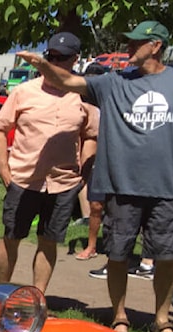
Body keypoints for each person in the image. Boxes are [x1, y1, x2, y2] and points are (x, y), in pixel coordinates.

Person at [18, 20, 173, 332]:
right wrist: (42, 65)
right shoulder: (112, 83)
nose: (127, 47)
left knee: (166, 257)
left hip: (164, 186)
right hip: (121, 186)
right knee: (118, 255)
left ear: (156, 46)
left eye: (135, 43)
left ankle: (162, 320)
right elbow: (67, 79)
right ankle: (119, 316)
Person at [0, 32, 99, 294]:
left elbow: (91, 136)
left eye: (62, 58)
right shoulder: (24, 92)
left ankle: (38, 296)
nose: (55, 61)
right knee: (12, 237)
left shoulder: (84, 96)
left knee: (49, 241)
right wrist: (4, 169)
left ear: (75, 59)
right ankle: (1, 293)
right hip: (24, 179)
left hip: (63, 184)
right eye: (51, 56)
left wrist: (83, 171)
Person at [75, 62, 109, 261]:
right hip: (97, 159)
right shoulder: (84, 104)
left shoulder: (111, 101)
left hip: (115, 159)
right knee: (95, 204)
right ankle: (91, 246)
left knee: (115, 207)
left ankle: (115, 251)